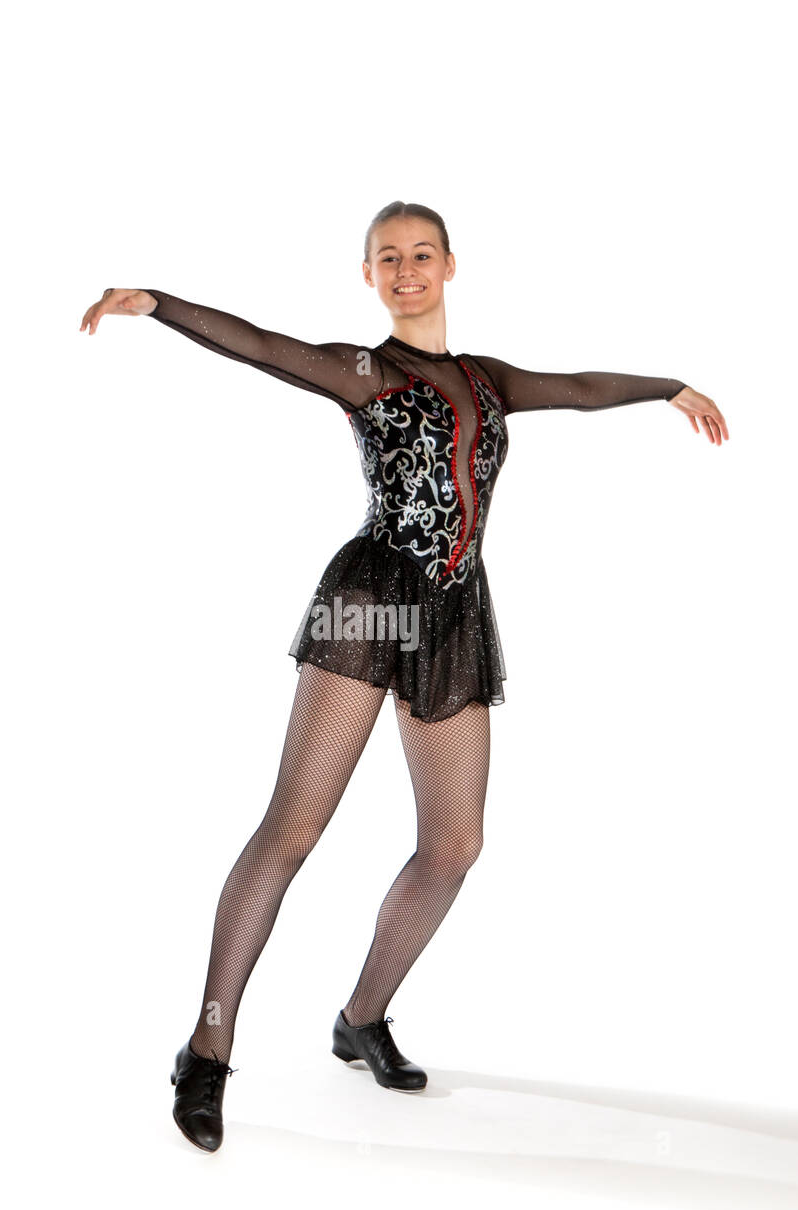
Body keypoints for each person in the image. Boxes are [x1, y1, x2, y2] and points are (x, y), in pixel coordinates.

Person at [80, 201, 728, 1153]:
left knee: (455, 845)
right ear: (371, 275)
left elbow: (580, 385)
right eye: (389, 258)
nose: (407, 269)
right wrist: (160, 304)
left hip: (455, 612)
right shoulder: (367, 371)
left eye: (422, 254)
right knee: (294, 826)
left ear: (451, 266)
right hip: (372, 597)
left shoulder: (489, 380)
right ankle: (206, 1051)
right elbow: (262, 345)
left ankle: (362, 1018)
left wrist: (667, 387)